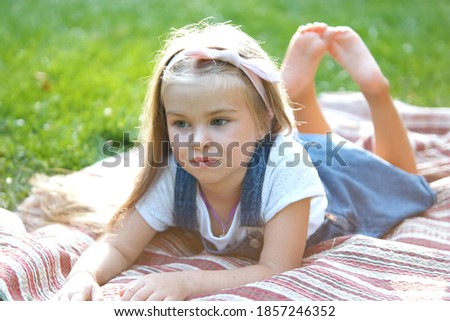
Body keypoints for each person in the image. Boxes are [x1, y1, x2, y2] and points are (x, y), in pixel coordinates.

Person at [54, 21, 435, 301]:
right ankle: (298, 95)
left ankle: (374, 90)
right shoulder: (175, 171)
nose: (198, 140)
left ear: (266, 120)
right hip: (276, 150)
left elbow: (277, 268)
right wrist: (84, 274)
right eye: (181, 123)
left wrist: (184, 282)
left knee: (405, 183)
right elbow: (119, 246)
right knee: (314, 143)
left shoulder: (287, 169)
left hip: (332, 194)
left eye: (219, 121)